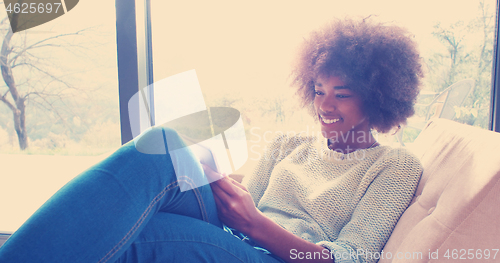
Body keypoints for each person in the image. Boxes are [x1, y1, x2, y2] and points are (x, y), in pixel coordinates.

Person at [0, 18, 423, 263]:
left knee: (141, 232)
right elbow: (244, 204)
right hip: (236, 238)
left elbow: (349, 258)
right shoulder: (287, 144)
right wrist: (221, 183)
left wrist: (254, 222)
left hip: (275, 258)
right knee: (162, 146)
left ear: (379, 97)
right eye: (318, 90)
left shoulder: (395, 167)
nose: (324, 105)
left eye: (342, 94)